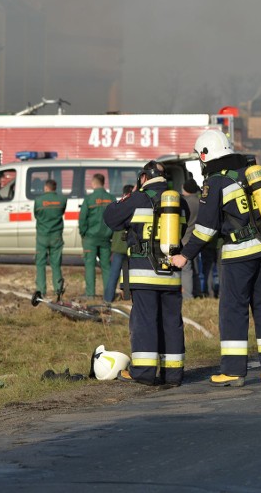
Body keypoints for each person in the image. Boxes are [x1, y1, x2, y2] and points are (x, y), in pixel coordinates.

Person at [170, 130, 261, 387]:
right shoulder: (254, 173)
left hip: (238, 255)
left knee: (234, 311)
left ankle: (233, 371)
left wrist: (185, 255)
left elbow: (206, 228)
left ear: (204, 156)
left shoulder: (215, 182)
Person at [103, 161, 190, 387]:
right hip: (171, 272)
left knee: (145, 322)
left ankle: (143, 372)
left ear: (143, 177)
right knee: (171, 322)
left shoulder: (138, 198)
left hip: (144, 273)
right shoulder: (178, 201)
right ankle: (173, 374)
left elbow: (111, 218)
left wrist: (126, 198)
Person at [79, 173, 115, 299]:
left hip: (90, 238)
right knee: (106, 267)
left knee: (90, 266)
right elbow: (115, 219)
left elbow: (82, 219)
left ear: (93, 183)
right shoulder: (111, 198)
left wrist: (83, 234)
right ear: (103, 183)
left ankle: (90, 295)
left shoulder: (89, 199)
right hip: (106, 238)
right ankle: (108, 296)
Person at [33, 179, 68, 302]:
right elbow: (62, 212)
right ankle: (58, 289)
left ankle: (41, 290)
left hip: (42, 236)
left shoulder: (38, 201)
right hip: (56, 236)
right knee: (56, 264)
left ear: (46, 188)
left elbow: (36, 215)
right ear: (55, 188)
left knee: (40, 264)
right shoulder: (62, 200)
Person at [103, 184, 134, 304]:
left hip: (118, 246)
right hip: (131, 246)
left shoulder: (119, 206)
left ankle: (108, 298)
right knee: (128, 273)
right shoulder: (135, 206)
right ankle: (127, 296)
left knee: (114, 275)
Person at [180, 177, 201, 300]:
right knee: (196, 269)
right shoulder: (199, 201)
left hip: (185, 239)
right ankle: (198, 291)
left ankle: (188, 296)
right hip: (196, 239)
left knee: (186, 270)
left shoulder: (184, 202)